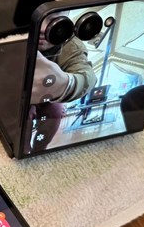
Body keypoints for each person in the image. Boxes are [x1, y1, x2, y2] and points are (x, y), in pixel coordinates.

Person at [26, 11, 97, 152]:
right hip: (18, 93)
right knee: (22, 114)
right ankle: (24, 149)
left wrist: (67, 84)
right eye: (37, 18)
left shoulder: (71, 45)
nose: (42, 28)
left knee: (55, 111)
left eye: (53, 20)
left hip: (49, 95)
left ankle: (39, 149)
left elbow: (87, 76)